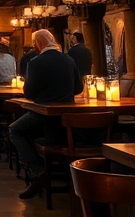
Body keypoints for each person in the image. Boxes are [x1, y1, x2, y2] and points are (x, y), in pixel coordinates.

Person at [11, 29, 83, 199]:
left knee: (15, 130)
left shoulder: (35, 63)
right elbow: (79, 88)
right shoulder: (68, 59)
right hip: (69, 120)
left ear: (38, 43)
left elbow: (29, 93)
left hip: (43, 115)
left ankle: (37, 172)